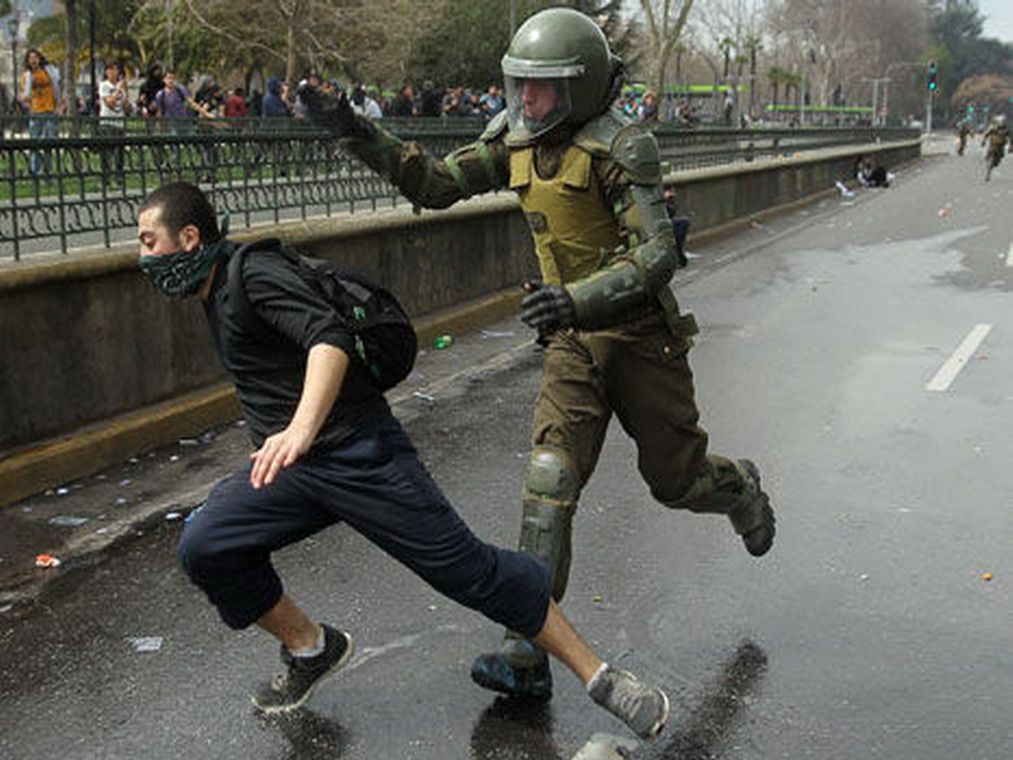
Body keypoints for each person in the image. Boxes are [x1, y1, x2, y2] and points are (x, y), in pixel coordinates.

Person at [302, 6, 776, 702]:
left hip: (640, 338)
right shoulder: (516, 140)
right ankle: (525, 647)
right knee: (550, 482)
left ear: (578, 87)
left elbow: (657, 253)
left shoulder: (621, 148)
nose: (527, 99)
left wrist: (576, 299)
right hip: (572, 343)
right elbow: (435, 185)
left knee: (676, 482)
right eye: (520, 83)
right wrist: (352, 127)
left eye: (543, 86)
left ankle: (739, 488)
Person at [136, 181, 670, 742]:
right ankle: (311, 649)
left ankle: (603, 679)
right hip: (295, 470)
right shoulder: (215, 290)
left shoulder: (253, 274)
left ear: (189, 238)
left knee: (470, 573)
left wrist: (299, 429)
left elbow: (329, 338)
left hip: (360, 455)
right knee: (208, 545)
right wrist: (286, 438)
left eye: (150, 241)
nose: (143, 256)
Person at [19, 48, 62, 176]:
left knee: (49, 142)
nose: (33, 60)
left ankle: (48, 170)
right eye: (31, 58)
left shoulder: (48, 72)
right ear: (27, 61)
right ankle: (35, 170)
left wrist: (59, 105)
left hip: (49, 110)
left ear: (39, 59)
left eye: (35, 57)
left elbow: (56, 88)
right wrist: (24, 99)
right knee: (35, 142)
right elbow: (26, 95)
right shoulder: (27, 75)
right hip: (36, 111)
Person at [98, 60, 130, 184]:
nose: (113, 72)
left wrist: (126, 93)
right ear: (106, 72)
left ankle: (119, 177)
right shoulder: (104, 85)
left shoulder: (121, 86)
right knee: (106, 153)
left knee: (119, 153)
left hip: (119, 123)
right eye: (111, 69)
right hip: (107, 122)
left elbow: (126, 107)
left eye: (116, 69)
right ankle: (105, 178)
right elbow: (110, 102)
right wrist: (118, 89)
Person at [982, 114, 1009, 182]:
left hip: (1001, 147)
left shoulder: (1006, 130)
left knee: (997, 162)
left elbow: (1011, 138)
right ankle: (988, 171)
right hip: (993, 145)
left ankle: (990, 166)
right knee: (990, 157)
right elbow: (986, 134)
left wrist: (1011, 146)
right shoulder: (993, 128)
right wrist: (983, 141)